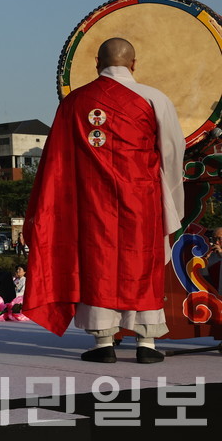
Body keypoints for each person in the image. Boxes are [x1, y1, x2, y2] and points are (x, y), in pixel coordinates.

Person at [22, 38, 184, 364]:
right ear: (133, 64)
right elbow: (171, 152)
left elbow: (56, 162)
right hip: (142, 199)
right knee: (142, 264)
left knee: (99, 265)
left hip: (92, 202)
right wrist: (169, 198)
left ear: (97, 63)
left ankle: (103, 342)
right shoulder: (155, 99)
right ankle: (147, 343)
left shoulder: (74, 102)